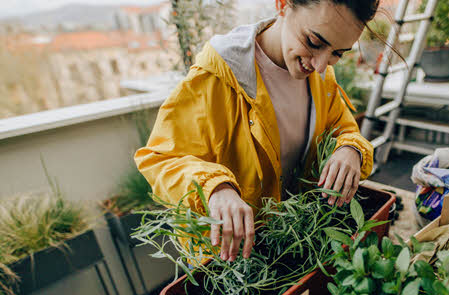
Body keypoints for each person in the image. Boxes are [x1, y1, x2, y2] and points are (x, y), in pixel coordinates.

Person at [135, 0, 382, 263]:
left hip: (294, 245)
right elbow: (160, 159)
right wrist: (216, 188)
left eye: (338, 53)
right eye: (313, 42)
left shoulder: (321, 77)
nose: (321, 65)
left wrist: (350, 148)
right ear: (283, 5)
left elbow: (342, 127)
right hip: (234, 263)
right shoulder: (217, 76)